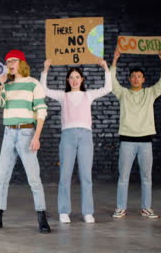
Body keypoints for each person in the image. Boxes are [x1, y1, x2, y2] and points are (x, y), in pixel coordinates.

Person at [0, 49, 51, 233]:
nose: (10, 64)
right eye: (8, 62)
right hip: (9, 134)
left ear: (21, 62)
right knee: (1, 177)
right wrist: (0, 86)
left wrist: (37, 137)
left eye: (13, 61)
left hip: (27, 133)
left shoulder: (33, 83)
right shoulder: (7, 85)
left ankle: (42, 218)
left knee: (33, 178)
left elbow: (41, 112)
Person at [41, 58, 111, 224]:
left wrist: (106, 68)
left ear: (82, 80)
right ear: (68, 80)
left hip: (86, 135)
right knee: (65, 175)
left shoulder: (88, 95)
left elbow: (108, 88)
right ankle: (64, 211)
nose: (74, 80)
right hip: (68, 136)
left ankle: (88, 212)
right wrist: (45, 69)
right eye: (71, 77)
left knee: (86, 176)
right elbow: (43, 89)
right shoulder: (62, 96)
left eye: (77, 77)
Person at [110, 48, 161, 219]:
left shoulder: (150, 93)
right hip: (126, 141)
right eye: (133, 76)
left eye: (139, 76)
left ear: (143, 79)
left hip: (145, 142)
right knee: (123, 177)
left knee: (146, 177)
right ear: (129, 79)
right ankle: (121, 208)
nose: (136, 79)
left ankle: (146, 208)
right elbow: (112, 82)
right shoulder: (123, 93)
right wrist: (115, 59)